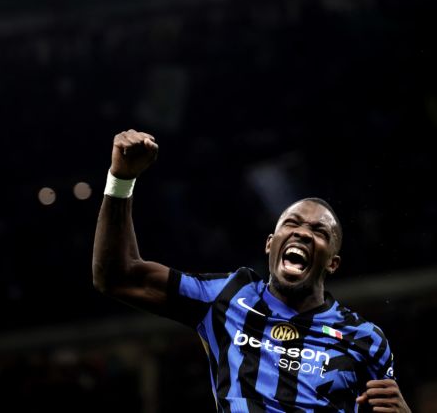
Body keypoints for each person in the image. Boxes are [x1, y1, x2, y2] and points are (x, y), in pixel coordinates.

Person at [92, 129, 411, 412]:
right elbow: (117, 276)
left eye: (318, 231)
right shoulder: (228, 296)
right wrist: (120, 180)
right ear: (270, 244)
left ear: (333, 262)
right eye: (292, 223)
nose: (301, 232)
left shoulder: (365, 340)